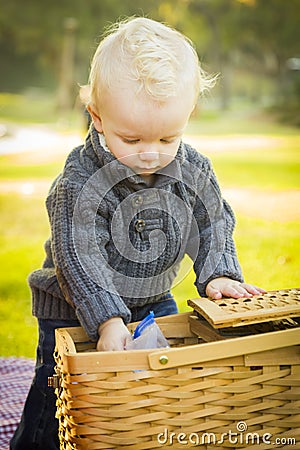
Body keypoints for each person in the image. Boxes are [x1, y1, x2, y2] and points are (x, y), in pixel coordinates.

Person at [10, 17, 265, 450]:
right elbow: (79, 256)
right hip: (72, 308)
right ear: (97, 117)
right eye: (131, 138)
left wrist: (219, 273)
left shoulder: (191, 169)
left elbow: (212, 221)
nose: (150, 153)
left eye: (168, 137)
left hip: (151, 299)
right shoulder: (79, 182)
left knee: (153, 386)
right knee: (61, 397)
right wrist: (107, 321)